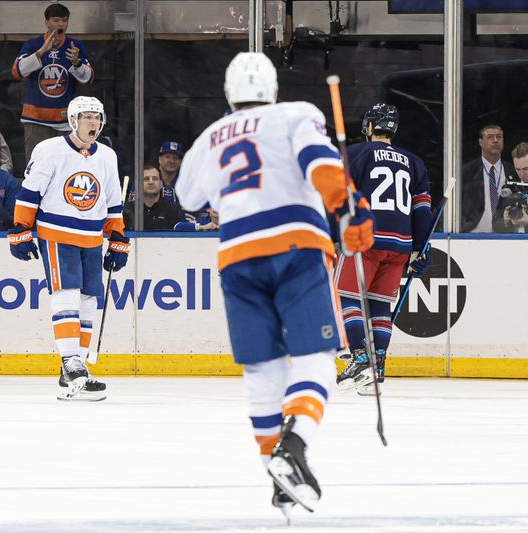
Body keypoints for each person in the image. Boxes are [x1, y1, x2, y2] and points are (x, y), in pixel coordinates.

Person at [175, 52, 375, 519]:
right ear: (273, 91)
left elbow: (188, 197)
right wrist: (348, 206)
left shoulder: (208, 138)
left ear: (229, 94)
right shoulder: (296, 114)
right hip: (295, 247)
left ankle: (278, 479)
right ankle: (295, 444)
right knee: (317, 356)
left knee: (262, 372)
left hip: (239, 255)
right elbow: (319, 163)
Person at [9, 96, 126, 402]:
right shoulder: (49, 150)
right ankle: (70, 362)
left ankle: (77, 368)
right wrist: (22, 228)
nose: (93, 123)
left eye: (97, 117)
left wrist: (118, 238)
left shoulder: (108, 156)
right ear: (73, 121)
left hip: (92, 237)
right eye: (87, 117)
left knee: (89, 299)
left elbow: (112, 200)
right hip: (58, 234)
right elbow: (30, 191)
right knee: (67, 295)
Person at [333, 104, 433, 395]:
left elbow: (337, 196)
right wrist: (421, 248)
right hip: (399, 245)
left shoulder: (354, 154)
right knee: (379, 305)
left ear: (369, 126)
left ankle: (360, 358)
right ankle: (377, 369)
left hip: (366, 238)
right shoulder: (414, 162)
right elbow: (422, 211)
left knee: (346, 297)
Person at [11, 2, 94, 161]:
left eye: (64, 20)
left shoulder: (75, 46)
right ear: (47, 22)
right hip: (36, 119)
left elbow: (88, 78)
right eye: (56, 20)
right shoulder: (32, 44)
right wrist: (41, 52)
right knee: (37, 167)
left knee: (68, 167)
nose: (61, 24)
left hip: (66, 121)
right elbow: (17, 72)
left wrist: (76, 63)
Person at [460, 125, 516, 233]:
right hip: (472, 235)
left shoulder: (512, 171)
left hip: (505, 236)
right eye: (490, 137)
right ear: (481, 142)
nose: (495, 140)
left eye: (499, 137)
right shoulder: (467, 172)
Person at [124, 164, 186, 231]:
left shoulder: (173, 210)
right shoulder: (128, 210)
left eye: (155, 179)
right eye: (146, 179)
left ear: (161, 184)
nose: (151, 182)